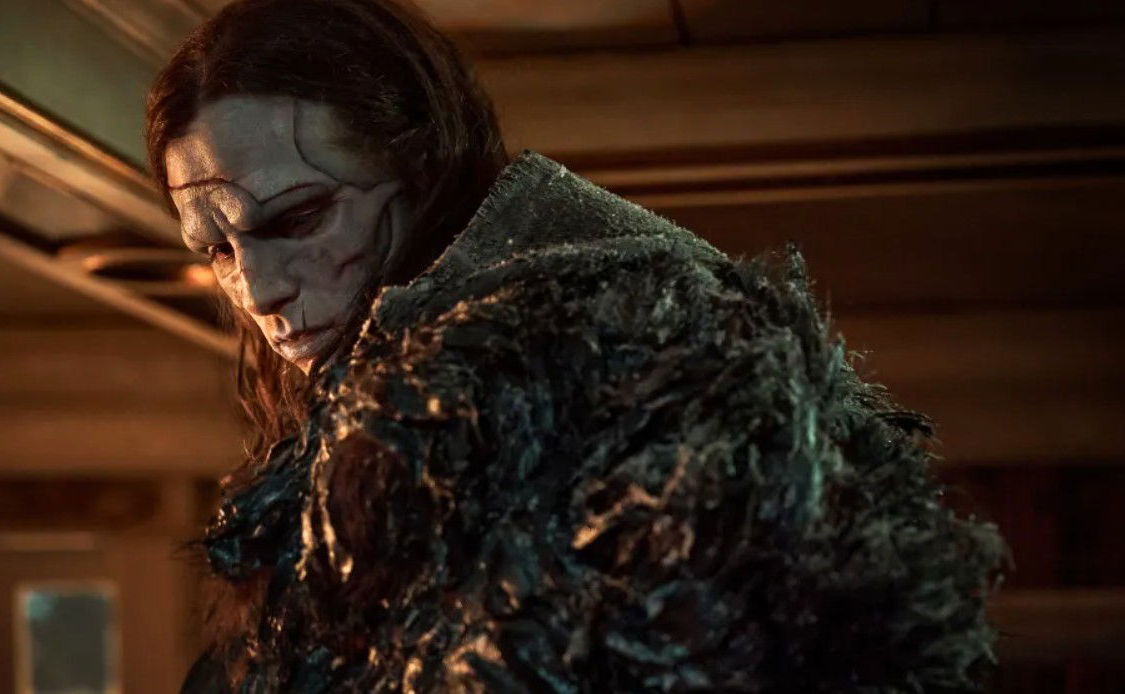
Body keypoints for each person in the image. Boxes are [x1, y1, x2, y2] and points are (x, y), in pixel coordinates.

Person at [147, 0, 1006, 691]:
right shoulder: (414, 397)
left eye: (299, 217)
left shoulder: (627, 358)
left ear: (421, 166)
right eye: (217, 250)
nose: (258, 290)